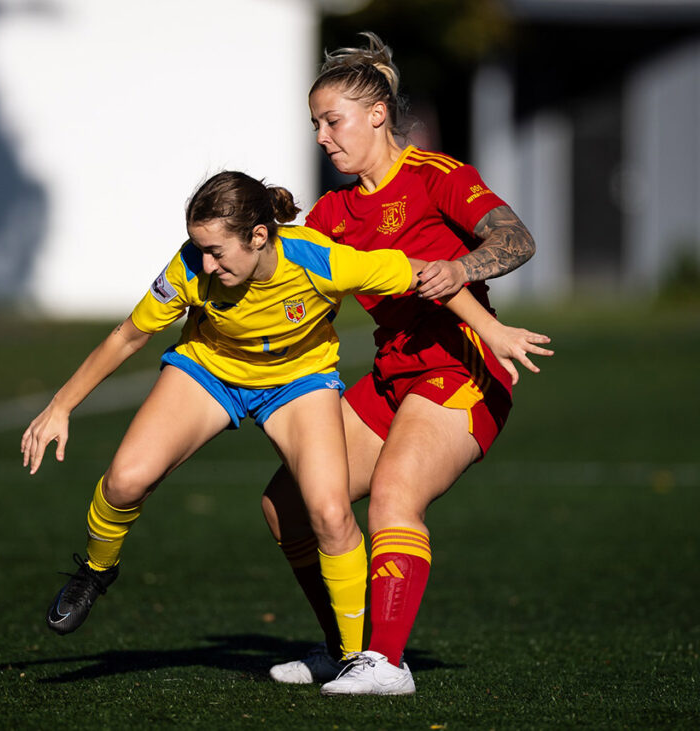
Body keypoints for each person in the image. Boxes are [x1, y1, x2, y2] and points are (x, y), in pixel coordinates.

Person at [21, 171, 550, 670]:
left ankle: (353, 659)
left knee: (331, 515)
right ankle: (96, 571)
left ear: (258, 236)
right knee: (125, 481)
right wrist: (61, 406)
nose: (205, 264)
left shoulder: (321, 259)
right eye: (199, 249)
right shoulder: (188, 268)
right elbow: (128, 336)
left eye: (216, 251)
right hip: (209, 370)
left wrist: (492, 331)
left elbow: (422, 274)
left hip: (298, 382)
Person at [262, 32, 545, 695]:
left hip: (461, 368)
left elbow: (517, 238)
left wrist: (463, 268)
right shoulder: (331, 213)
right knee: (287, 503)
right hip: (392, 373)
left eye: (332, 121)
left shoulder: (436, 176)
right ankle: (346, 647)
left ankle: (386, 663)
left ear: (377, 114)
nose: (322, 137)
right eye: (315, 125)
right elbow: (285, 279)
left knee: (395, 495)